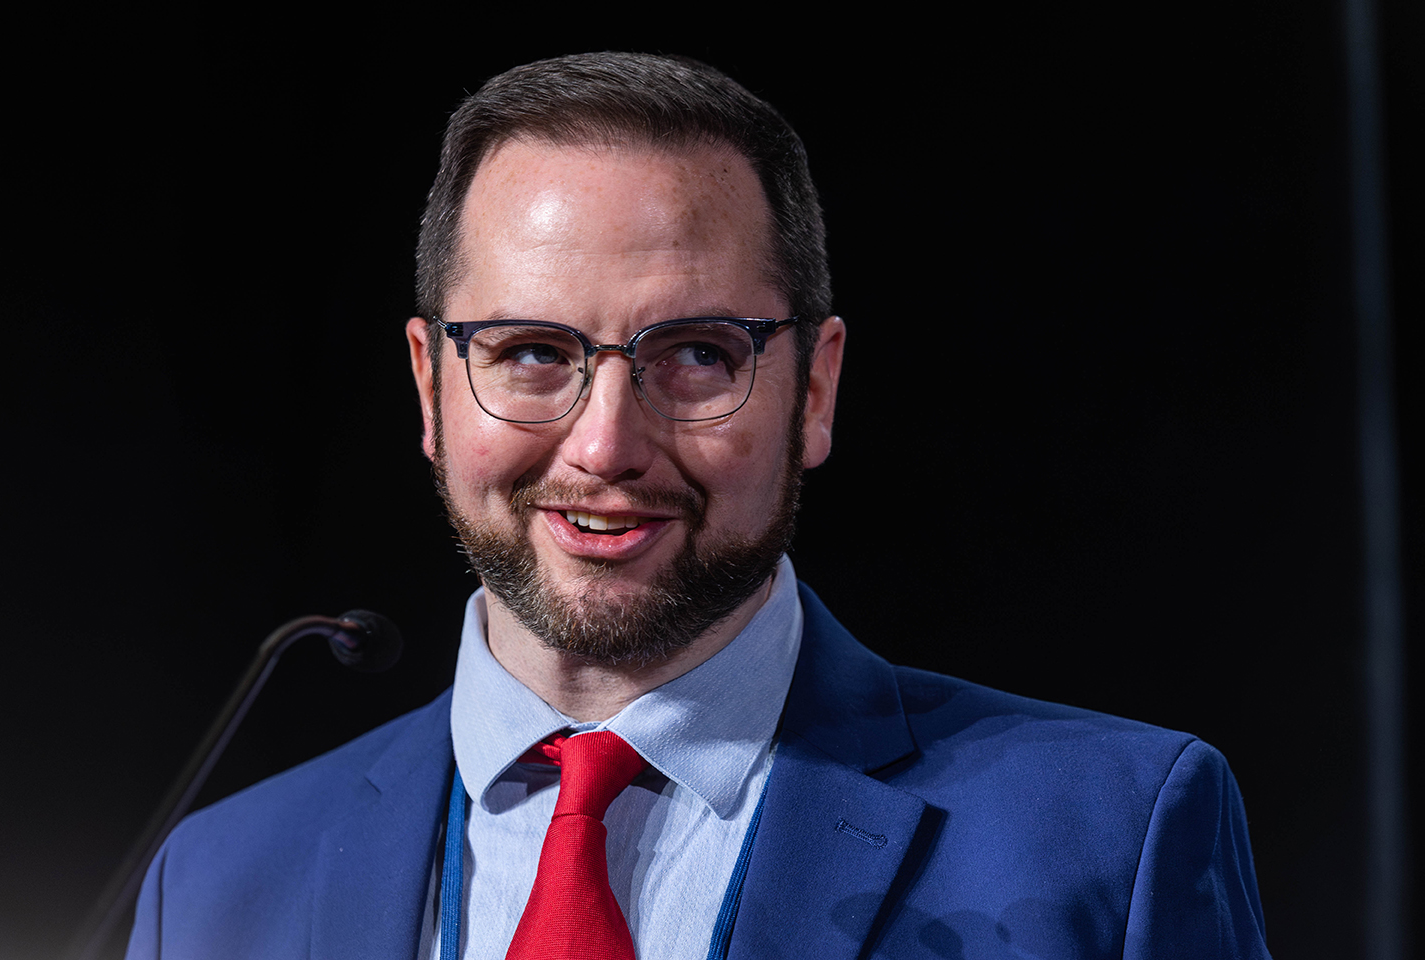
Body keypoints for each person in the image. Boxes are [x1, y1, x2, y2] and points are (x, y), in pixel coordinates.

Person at [125, 52, 1271, 960]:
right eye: (530, 352)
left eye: (697, 356)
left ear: (813, 390)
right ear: (430, 386)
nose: (607, 445)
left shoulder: (1112, 839)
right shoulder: (216, 883)